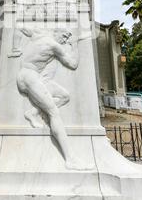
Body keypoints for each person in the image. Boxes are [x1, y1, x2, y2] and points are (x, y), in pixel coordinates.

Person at [8, 27, 93, 170]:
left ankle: (34, 112)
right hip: (30, 77)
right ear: (57, 32)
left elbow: (19, 28)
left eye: (67, 38)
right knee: (54, 113)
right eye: (64, 36)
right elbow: (73, 64)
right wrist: (75, 45)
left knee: (65, 96)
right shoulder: (54, 46)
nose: (65, 40)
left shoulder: (37, 33)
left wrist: (15, 48)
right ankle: (70, 159)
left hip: (29, 76)